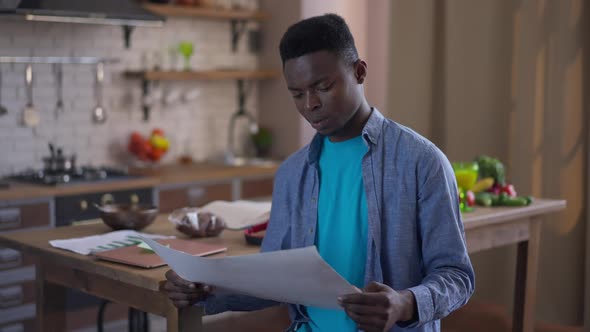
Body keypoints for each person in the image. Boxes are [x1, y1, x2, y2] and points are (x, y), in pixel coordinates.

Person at [164, 13, 475, 332]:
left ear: (359, 72)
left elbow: (457, 276)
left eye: (323, 87)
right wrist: (204, 289)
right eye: (297, 94)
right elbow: (273, 283)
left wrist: (405, 303)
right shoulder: (292, 174)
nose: (310, 104)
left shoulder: (422, 162)